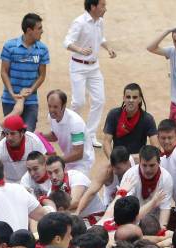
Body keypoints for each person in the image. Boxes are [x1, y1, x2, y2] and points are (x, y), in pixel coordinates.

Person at [64, 0, 115, 149]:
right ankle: (71, 130)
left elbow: (100, 38)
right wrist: (80, 50)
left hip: (94, 67)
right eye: (103, 5)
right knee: (78, 102)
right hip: (78, 66)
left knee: (99, 100)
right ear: (93, 7)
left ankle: (90, 134)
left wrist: (108, 48)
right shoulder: (79, 22)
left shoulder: (100, 22)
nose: (105, 8)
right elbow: (67, 42)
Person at [0, 12, 49, 131]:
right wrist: (12, 93)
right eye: (39, 28)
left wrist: (30, 91)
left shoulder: (43, 49)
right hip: (10, 99)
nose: (42, 31)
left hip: (30, 101)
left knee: (28, 134)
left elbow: (42, 76)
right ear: (29, 30)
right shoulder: (9, 46)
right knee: (11, 134)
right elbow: (4, 72)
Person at [43, 88, 94, 174]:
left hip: (82, 163)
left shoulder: (76, 123)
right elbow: (55, 135)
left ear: (63, 106)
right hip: (67, 159)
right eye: (49, 106)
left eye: (55, 107)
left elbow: (78, 153)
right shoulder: (51, 117)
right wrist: (39, 136)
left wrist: (56, 160)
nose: (51, 110)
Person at [101, 81, 157, 156]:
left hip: (137, 161)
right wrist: (112, 160)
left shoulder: (147, 119)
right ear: (123, 98)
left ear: (140, 99)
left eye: (134, 97)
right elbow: (106, 142)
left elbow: (155, 146)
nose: (131, 100)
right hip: (118, 160)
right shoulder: (113, 115)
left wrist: (132, 159)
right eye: (128, 97)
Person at [0, 113, 48, 182]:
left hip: (31, 181)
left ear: (22, 132)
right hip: (10, 185)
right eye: (6, 133)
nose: (9, 138)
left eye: (12, 133)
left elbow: (44, 160)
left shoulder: (34, 141)